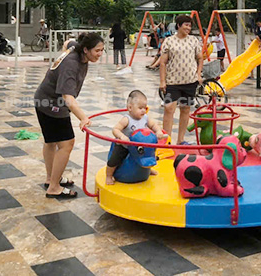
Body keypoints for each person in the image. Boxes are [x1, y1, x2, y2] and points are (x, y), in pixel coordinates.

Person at [34, 32, 104, 199]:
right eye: (97, 51)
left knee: (51, 142)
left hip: (43, 99)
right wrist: (83, 118)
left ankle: (51, 179)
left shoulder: (76, 47)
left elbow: (67, 43)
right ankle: (54, 187)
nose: (100, 54)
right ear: (86, 49)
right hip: (51, 105)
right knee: (66, 144)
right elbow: (68, 98)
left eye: (102, 50)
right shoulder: (71, 64)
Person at [159, 14, 203, 144]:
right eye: (186, 25)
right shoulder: (169, 41)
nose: (188, 28)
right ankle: (166, 140)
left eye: (190, 25)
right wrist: (162, 81)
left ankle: (181, 140)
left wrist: (199, 74)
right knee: (169, 108)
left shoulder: (194, 40)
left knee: (185, 109)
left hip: (190, 82)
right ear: (178, 26)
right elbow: (163, 63)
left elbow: (200, 58)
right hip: (173, 82)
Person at [105, 90, 165, 185]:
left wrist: (158, 131)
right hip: (125, 146)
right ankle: (109, 175)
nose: (143, 110)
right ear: (130, 108)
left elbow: (153, 125)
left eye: (145, 108)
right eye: (140, 108)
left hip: (140, 147)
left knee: (148, 153)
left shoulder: (145, 117)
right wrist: (122, 136)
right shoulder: (126, 120)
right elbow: (115, 129)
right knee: (114, 159)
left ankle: (148, 169)